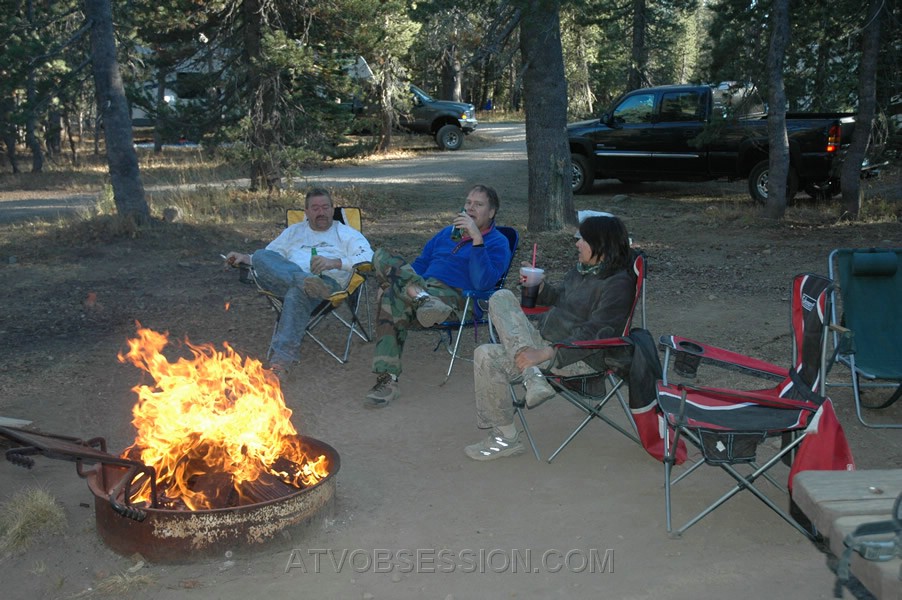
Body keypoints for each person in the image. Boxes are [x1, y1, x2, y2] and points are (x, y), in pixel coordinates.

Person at [464, 215, 636, 461]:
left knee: (488, 355)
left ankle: (530, 375)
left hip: (576, 355)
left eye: (583, 239)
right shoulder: (582, 271)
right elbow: (561, 300)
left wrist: (548, 353)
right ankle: (511, 427)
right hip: (542, 343)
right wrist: (542, 290)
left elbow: (597, 333)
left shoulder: (618, 285)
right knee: (500, 297)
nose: (577, 244)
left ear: (602, 244)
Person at [364, 184, 512, 408]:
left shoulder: (498, 242)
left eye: (478, 204)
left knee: (389, 298)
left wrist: (476, 240)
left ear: (491, 213)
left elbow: (484, 283)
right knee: (381, 255)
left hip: (458, 297)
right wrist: (397, 280)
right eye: (468, 203)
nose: (471, 208)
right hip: (426, 291)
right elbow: (421, 264)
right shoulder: (446, 234)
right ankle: (420, 297)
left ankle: (388, 379)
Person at [225, 188, 373, 378]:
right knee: (262, 255)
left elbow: (368, 258)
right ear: (306, 212)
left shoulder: (346, 234)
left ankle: (280, 362)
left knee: (297, 294)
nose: (321, 212)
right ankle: (304, 281)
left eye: (325, 207)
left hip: (328, 286)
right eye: (315, 208)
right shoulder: (294, 232)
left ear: (332, 209)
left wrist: (334, 263)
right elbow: (270, 258)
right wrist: (244, 257)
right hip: (286, 281)